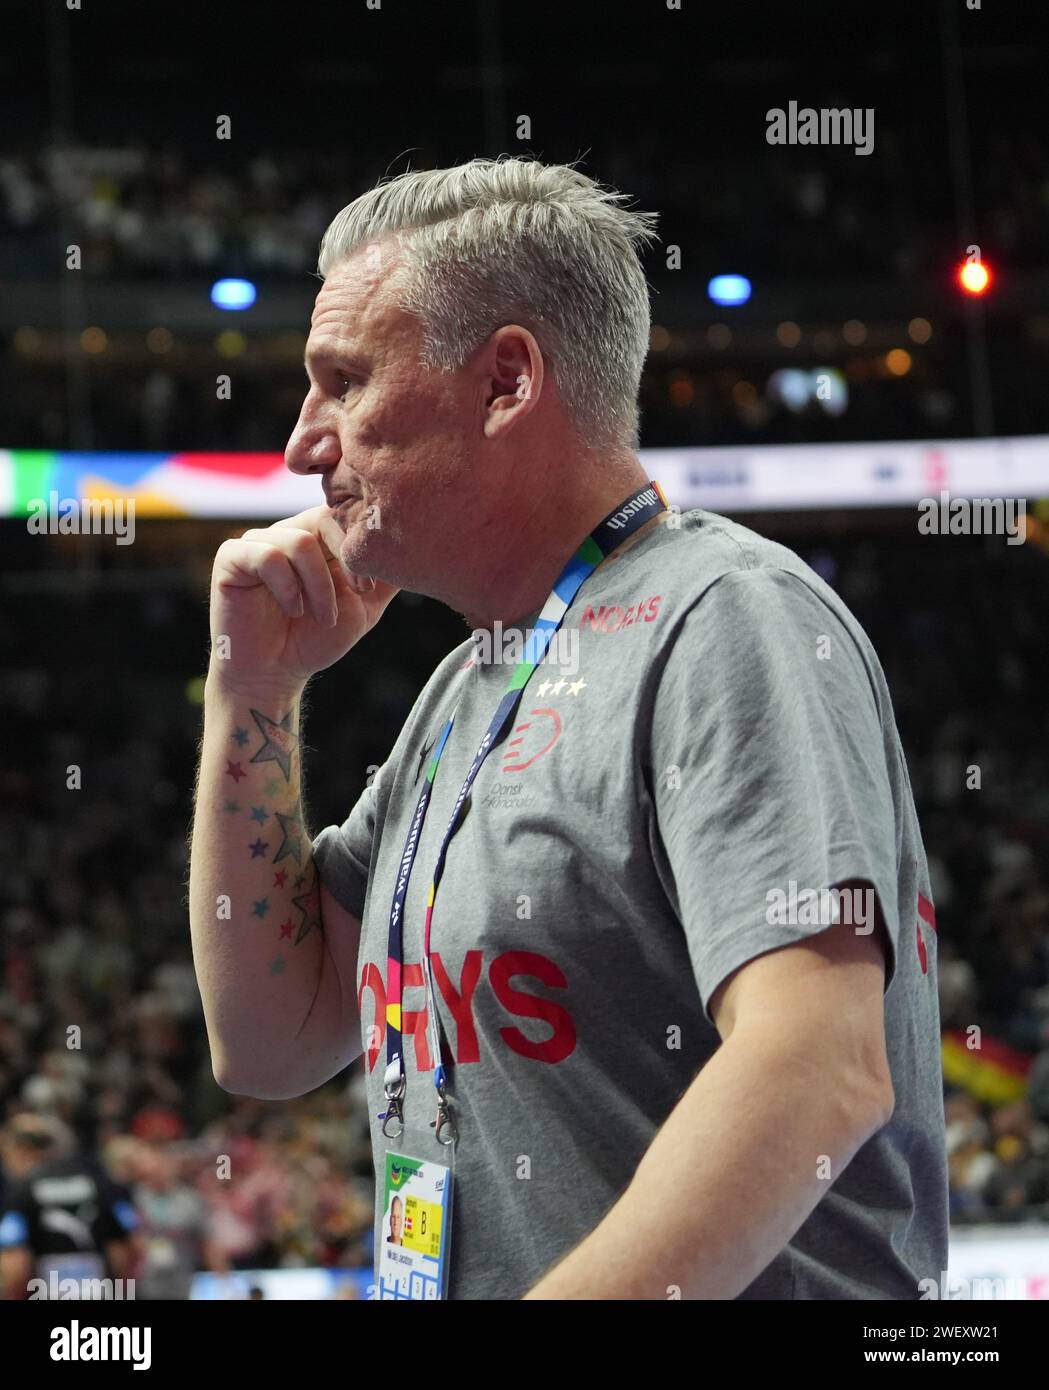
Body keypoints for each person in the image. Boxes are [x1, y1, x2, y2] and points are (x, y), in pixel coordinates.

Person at [189, 157, 948, 1300]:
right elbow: (272, 1034)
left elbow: (821, 1066)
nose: (304, 442)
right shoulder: (467, 686)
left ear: (505, 381)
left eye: (342, 381)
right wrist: (248, 694)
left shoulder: (728, 617)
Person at [0, 1113, 138, 1299]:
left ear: (20, 1151)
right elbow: (126, 1248)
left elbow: (16, 1263)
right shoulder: (96, 1182)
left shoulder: (21, 1193)